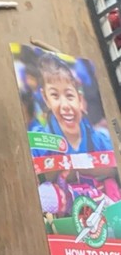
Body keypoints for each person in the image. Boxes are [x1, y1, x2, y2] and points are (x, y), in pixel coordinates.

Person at [31, 53, 120, 209]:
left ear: (79, 99)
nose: (65, 105)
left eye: (69, 95)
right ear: (45, 98)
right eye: (55, 95)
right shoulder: (39, 145)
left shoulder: (102, 141)